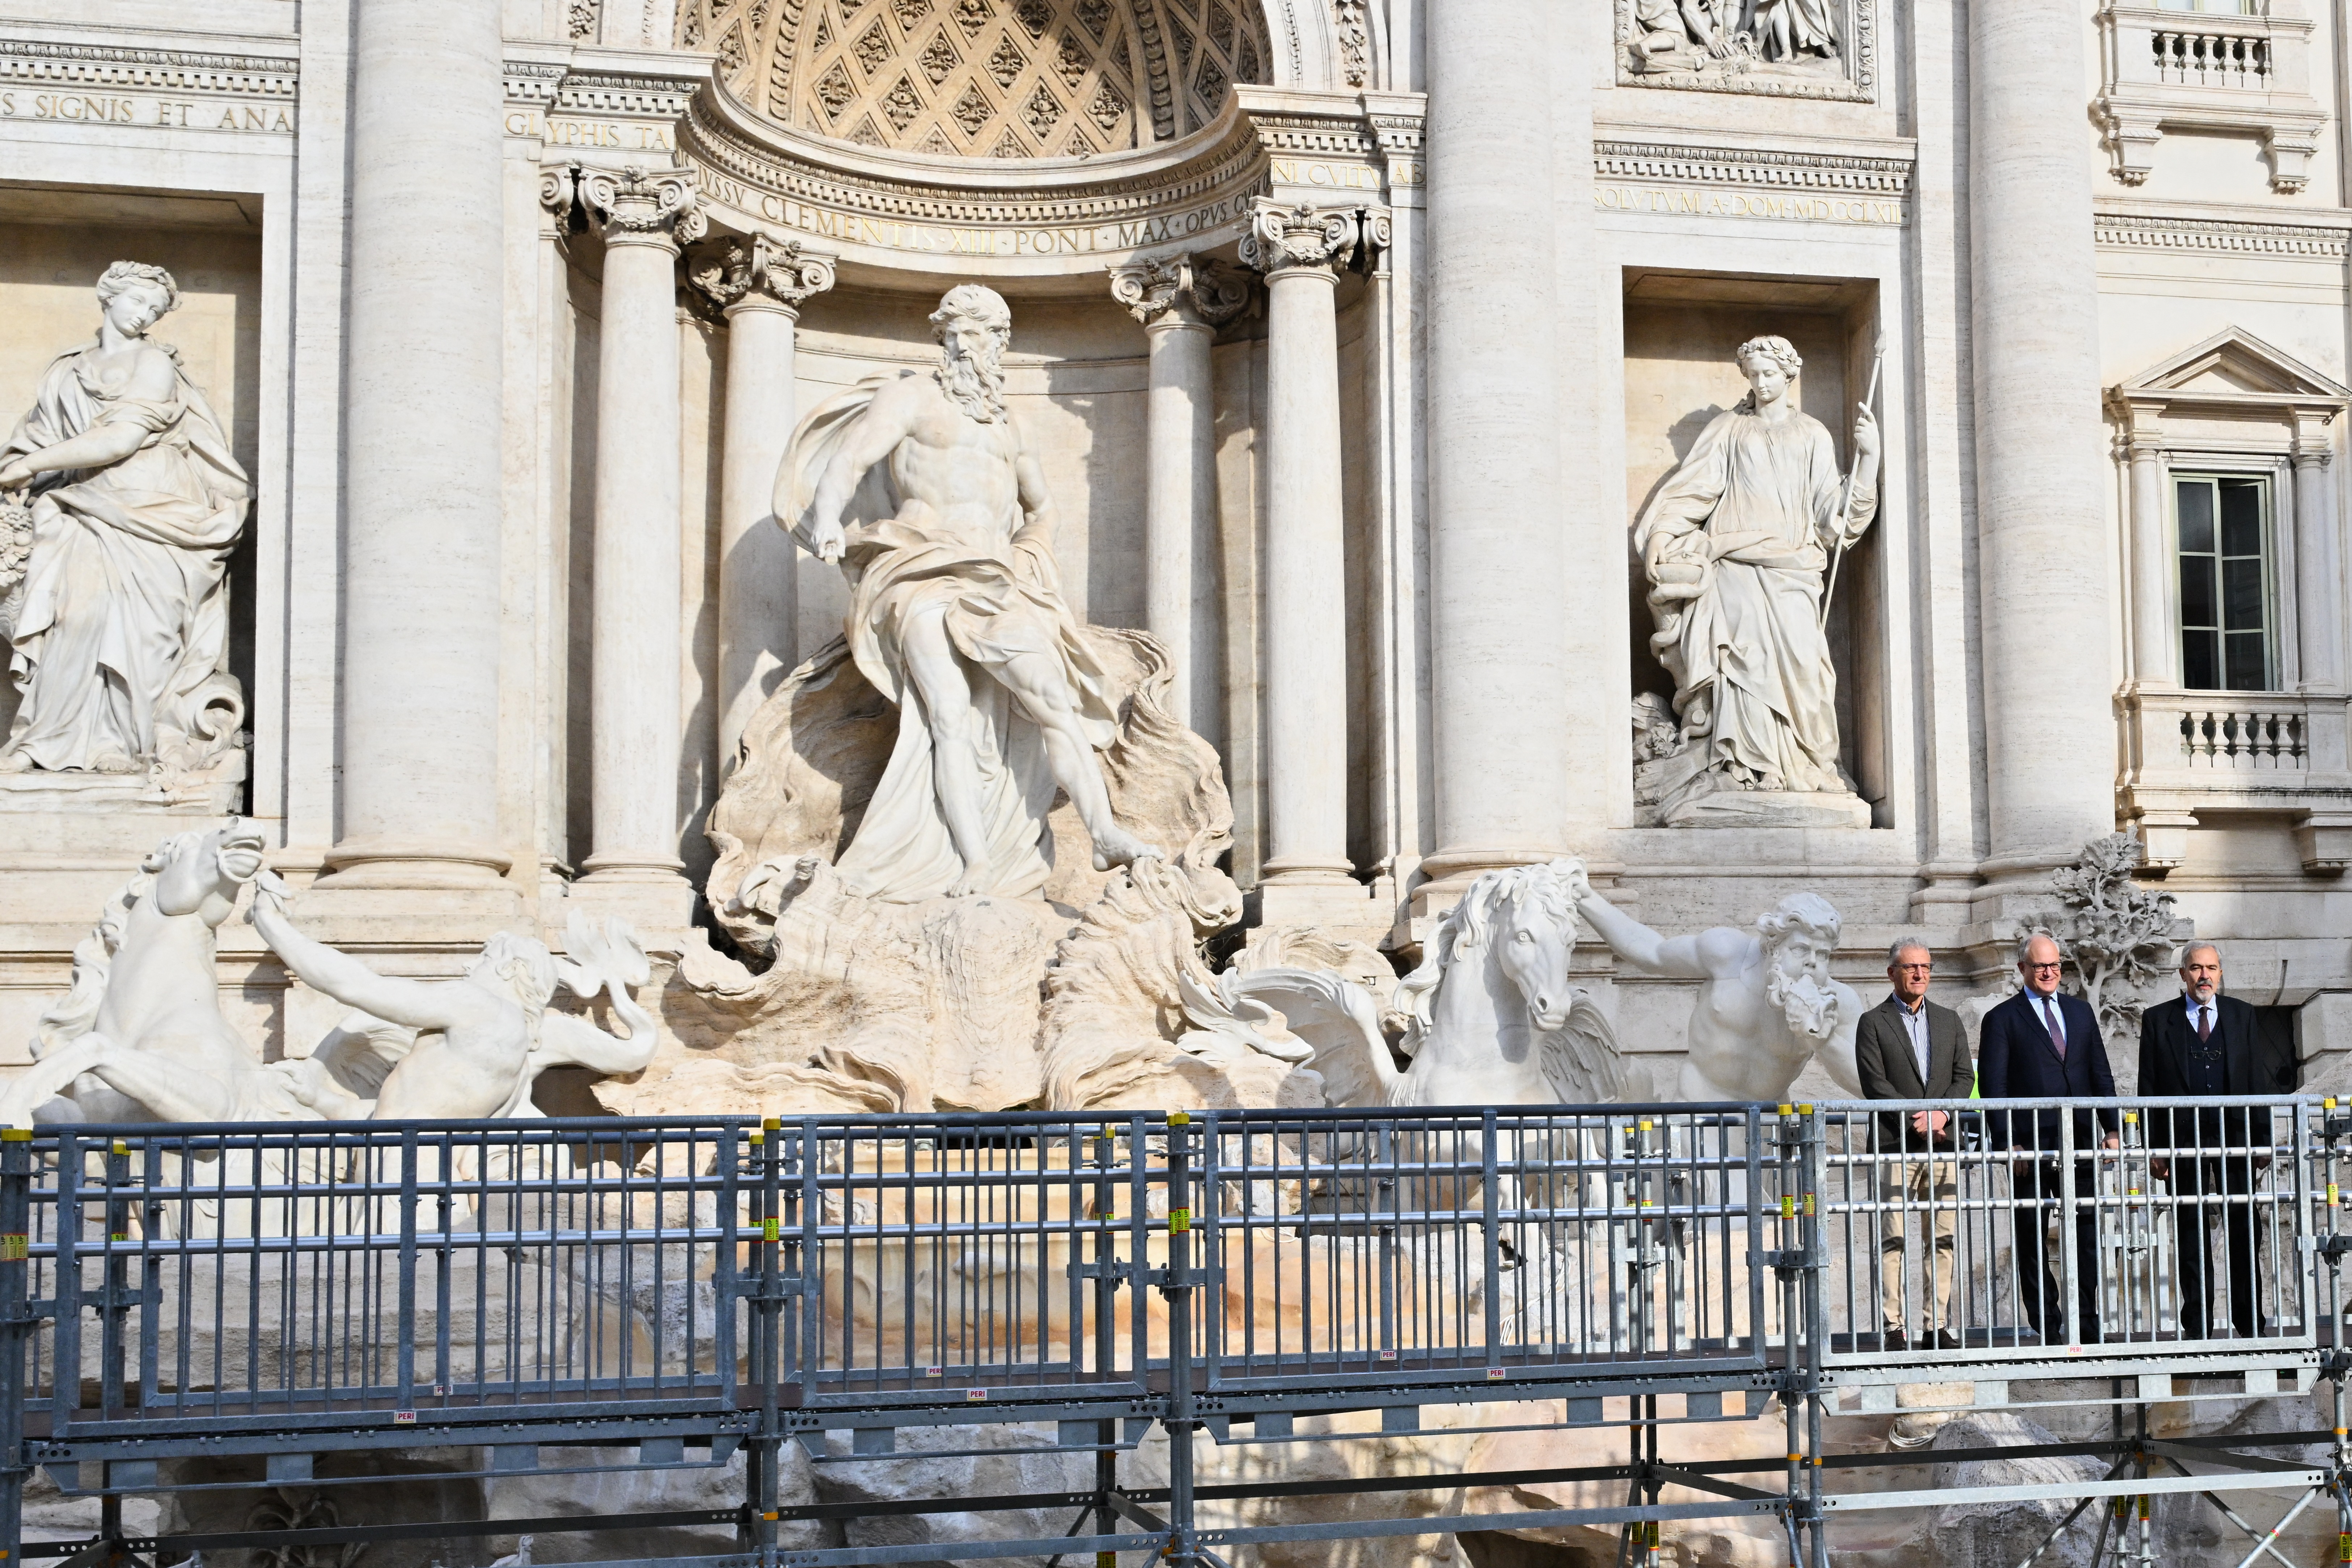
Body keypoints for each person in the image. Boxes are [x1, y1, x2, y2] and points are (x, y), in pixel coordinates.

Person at [777, 284, 1160, 903]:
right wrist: (826, 518)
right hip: (919, 568)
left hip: (996, 576)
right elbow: (849, 460)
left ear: (999, 343)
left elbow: (1042, 507)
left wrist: (1033, 553)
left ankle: (1105, 831)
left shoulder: (1011, 426)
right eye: (952, 330)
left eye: (977, 332)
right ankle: (975, 860)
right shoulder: (911, 398)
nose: (962, 341)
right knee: (947, 716)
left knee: (1054, 701)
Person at [0, 261, 250, 774]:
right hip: (82, 505)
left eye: (155, 309)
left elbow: (121, 439)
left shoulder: (154, 364)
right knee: (76, 617)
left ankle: (128, 744)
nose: (145, 314)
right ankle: (50, 739)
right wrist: (21, 465)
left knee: (144, 633)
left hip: (152, 507)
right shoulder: (65, 370)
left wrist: (29, 466)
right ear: (107, 296)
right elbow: (36, 436)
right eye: (138, 301)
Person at [1631, 335, 1878, 813]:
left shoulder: (1812, 434)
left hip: (1792, 570)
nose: (1762, 383)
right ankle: (1739, 768)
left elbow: (1836, 515)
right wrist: (1665, 531)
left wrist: (1868, 459)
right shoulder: (1728, 429)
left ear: (1790, 376)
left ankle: (1805, 764)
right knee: (1740, 670)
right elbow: (1696, 490)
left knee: (1805, 668)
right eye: (1754, 375)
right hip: (1733, 568)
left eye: (1771, 374)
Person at [1977, 933, 2120, 1345]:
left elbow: (2100, 1074)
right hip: (2028, 1145)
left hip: (2079, 1141)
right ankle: (2049, 1324)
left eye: (2055, 965)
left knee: (2088, 1234)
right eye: (2039, 966)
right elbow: (1994, 1087)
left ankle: (2087, 1321)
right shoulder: (2001, 1019)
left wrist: (2111, 1128)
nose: (2048, 973)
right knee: (2031, 1236)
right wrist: (2006, 1142)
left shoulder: (2079, 1013)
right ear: (2022, 968)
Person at [2139, 943, 2281, 1340]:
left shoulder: (2241, 1015)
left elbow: (2257, 1080)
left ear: (2220, 973)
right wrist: (2153, 1145)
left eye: (2212, 968)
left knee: (2243, 1227)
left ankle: (2250, 1323)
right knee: (2190, 1230)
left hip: (2235, 1136)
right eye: (2196, 968)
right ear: (2182, 974)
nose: (2204, 976)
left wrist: (2262, 1138)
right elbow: (2147, 1086)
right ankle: (2197, 1325)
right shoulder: (2157, 1020)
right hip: (2181, 1139)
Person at [1852, 938, 1972, 1350]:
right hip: (1893, 1146)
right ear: (1892, 973)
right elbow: (1874, 1083)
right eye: (1910, 967)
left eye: (1925, 966)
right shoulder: (1872, 1022)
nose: (1920, 973)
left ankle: (1934, 1325)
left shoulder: (1948, 1020)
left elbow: (1964, 1078)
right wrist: (1914, 1117)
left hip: (1941, 1144)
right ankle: (1893, 1326)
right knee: (1893, 1239)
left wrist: (1940, 1114)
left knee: (1941, 1240)